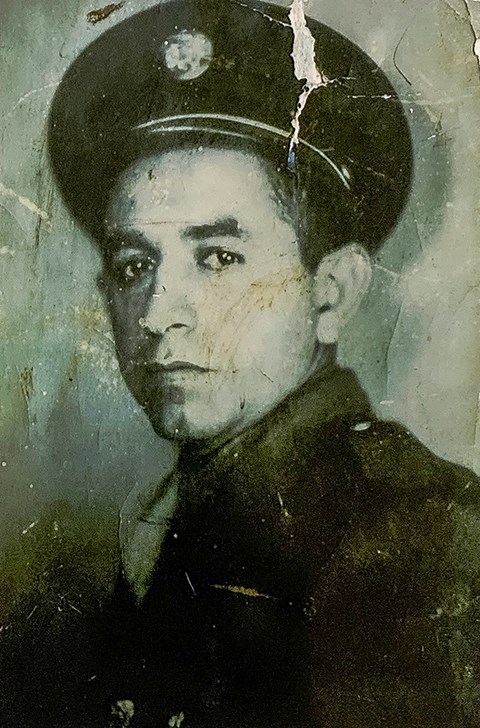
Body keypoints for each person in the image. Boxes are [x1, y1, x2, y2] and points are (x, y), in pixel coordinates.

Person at [2, 0, 480, 726]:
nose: (157, 313)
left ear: (332, 291)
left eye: (219, 258)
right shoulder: (130, 534)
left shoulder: (420, 541)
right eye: (133, 266)